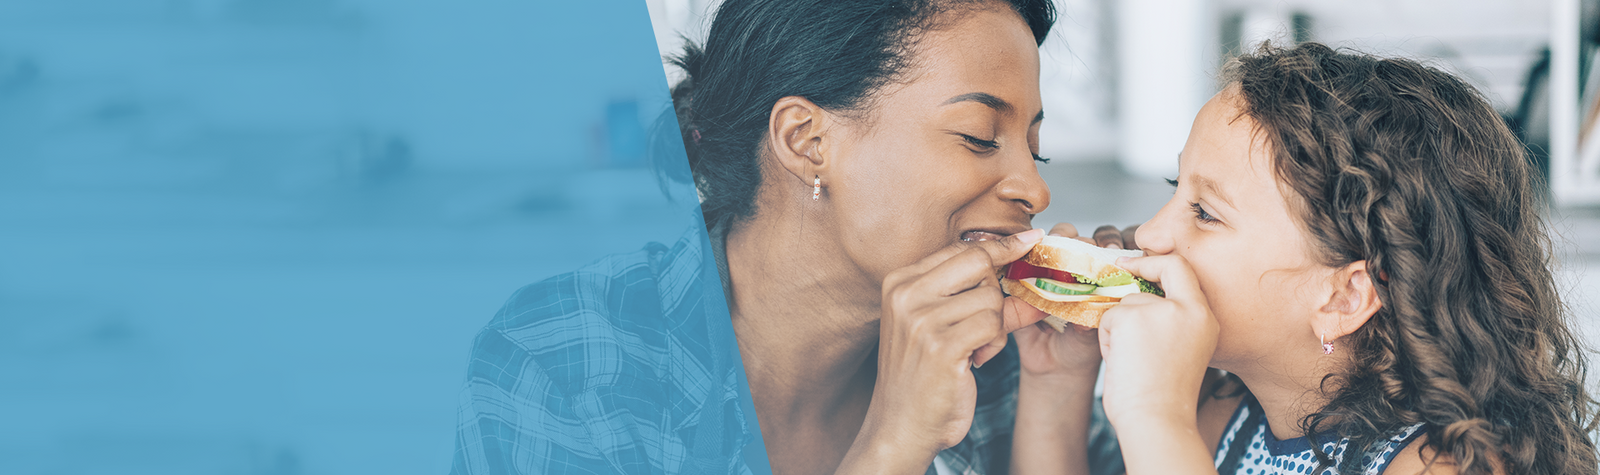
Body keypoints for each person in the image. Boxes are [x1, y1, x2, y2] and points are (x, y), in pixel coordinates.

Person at [451, 0, 1128, 473]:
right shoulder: (562, 365)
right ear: (806, 141)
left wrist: (1057, 392)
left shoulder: (1001, 357)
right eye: (980, 137)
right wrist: (892, 443)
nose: (1035, 193)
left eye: (1033, 151)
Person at [1053, 42, 1598, 475]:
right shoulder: (1226, 411)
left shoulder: (1444, 467)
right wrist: (1058, 376)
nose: (1148, 233)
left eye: (1205, 212)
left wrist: (1154, 415)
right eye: (1176, 188)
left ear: (1344, 298)